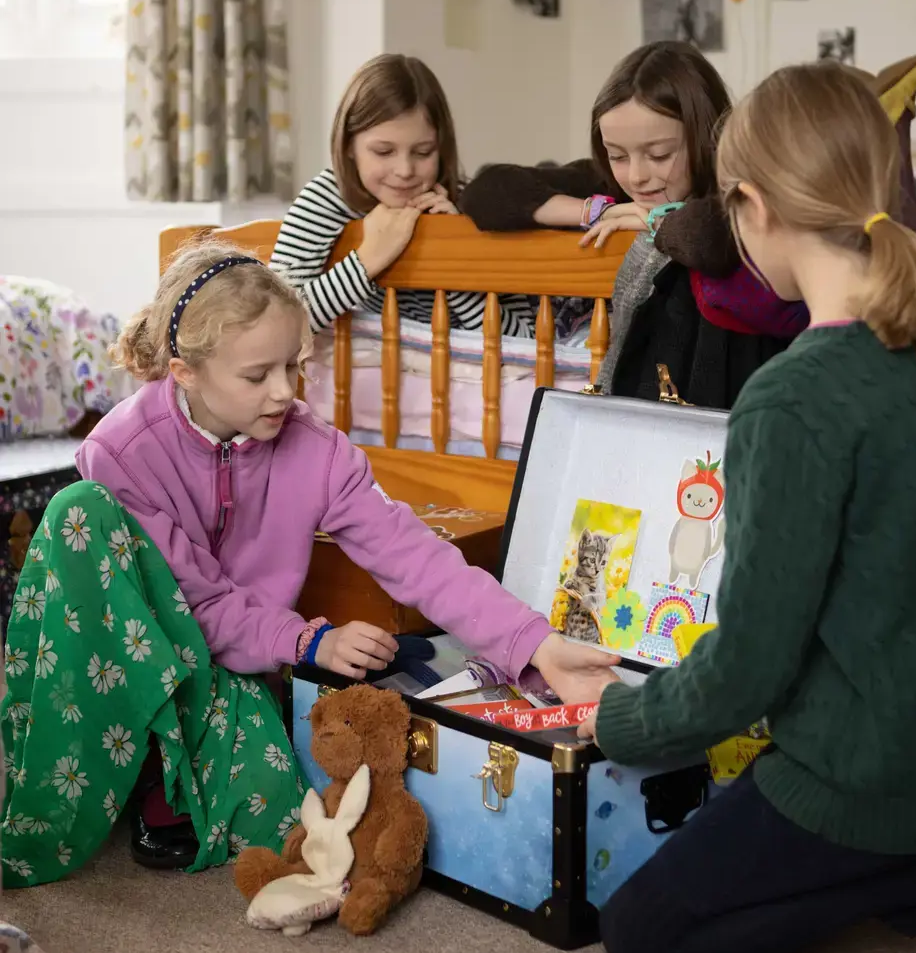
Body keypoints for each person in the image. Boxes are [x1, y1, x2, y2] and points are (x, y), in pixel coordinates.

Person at [578, 61, 916, 953]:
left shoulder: (789, 397)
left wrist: (618, 722)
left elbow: (746, 672)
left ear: (752, 208)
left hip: (865, 773)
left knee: (641, 931)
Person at [0, 245, 614, 888]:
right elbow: (196, 603)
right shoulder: (122, 451)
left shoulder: (317, 451)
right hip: (152, 637)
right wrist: (309, 640)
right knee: (78, 510)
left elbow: (415, 555)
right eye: (258, 375)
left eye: (294, 366)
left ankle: (173, 750)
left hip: (242, 657)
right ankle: (145, 746)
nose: (285, 393)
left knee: (278, 810)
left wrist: (535, 644)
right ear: (184, 372)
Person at [462, 42, 807, 410]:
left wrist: (654, 221)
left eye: (659, 155)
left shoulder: (742, 192)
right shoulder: (612, 186)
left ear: (704, 138)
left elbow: (707, 238)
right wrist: (592, 211)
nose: (638, 176)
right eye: (617, 155)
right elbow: (486, 191)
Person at [271, 54, 533, 336]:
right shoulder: (326, 199)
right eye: (383, 152)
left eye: (423, 152)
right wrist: (366, 261)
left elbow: (526, 338)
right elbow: (273, 325)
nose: (405, 170)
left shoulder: (471, 204)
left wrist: (451, 256)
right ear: (348, 145)